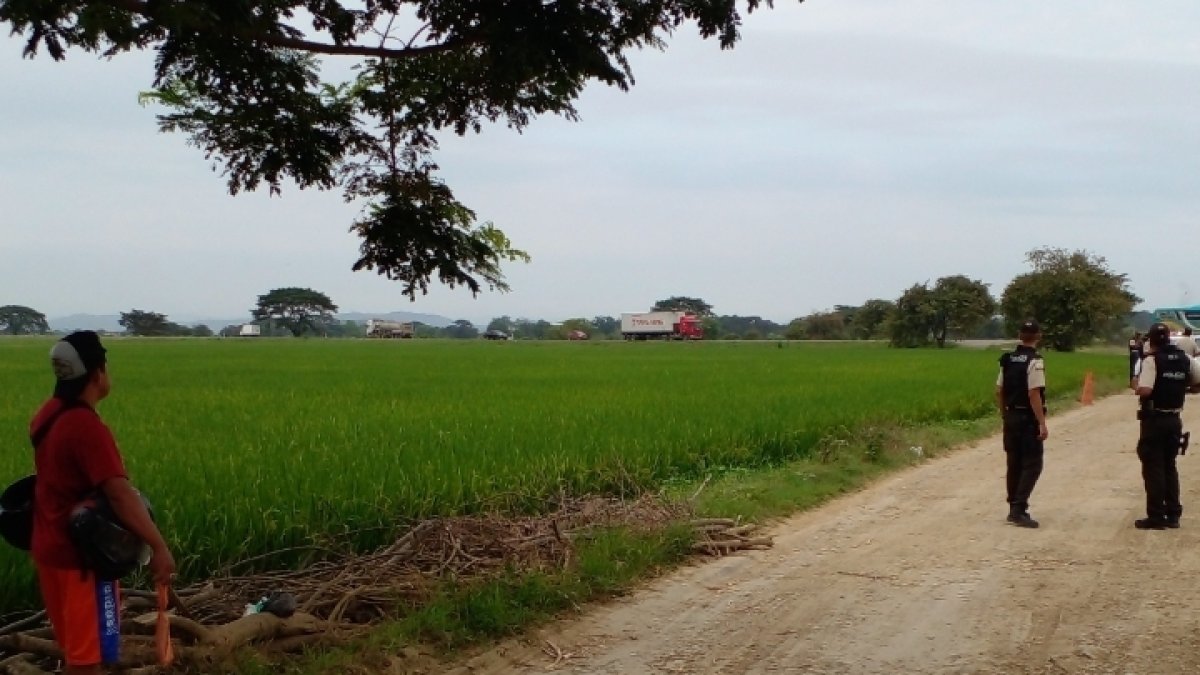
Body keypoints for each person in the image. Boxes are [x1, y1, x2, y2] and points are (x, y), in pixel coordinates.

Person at [30, 331, 175, 674]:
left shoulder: (47, 414)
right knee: (86, 661)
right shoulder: (86, 428)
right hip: (81, 560)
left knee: (75, 650)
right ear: (97, 373)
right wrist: (158, 547)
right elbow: (119, 494)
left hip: (49, 547)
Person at [1132, 323, 1200, 530]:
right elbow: (1197, 385)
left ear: (1150, 340)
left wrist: (1135, 384)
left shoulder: (1152, 360)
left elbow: (1145, 390)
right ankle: (1173, 514)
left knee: (1153, 467)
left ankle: (1155, 515)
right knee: (1169, 466)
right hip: (1174, 419)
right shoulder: (1185, 359)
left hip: (1154, 419)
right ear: (1170, 338)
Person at [995, 319, 1049, 528]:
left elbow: (999, 390)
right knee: (1033, 464)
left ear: (1020, 334)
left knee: (1013, 463)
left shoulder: (1007, 359)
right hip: (1027, 419)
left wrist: (1004, 414)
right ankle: (1019, 508)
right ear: (1038, 336)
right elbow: (1034, 392)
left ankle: (1013, 508)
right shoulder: (1035, 361)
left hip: (1011, 416)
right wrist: (1041, 422)